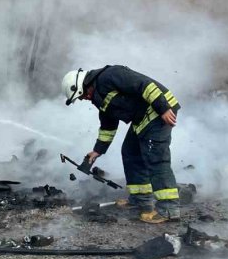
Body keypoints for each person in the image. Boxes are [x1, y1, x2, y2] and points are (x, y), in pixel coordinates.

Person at [62, 65, 181, 223]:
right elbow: (108, 125)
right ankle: (141, 200)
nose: (85, 99)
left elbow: (144, 85)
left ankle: (168, 209)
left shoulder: (110, 75)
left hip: (159, 111)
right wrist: (97, 151)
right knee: (130, 152)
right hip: (143, 118)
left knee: (156, 157)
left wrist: (163, 108)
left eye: (82, 96)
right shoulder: (99, 96)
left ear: (83, 86)